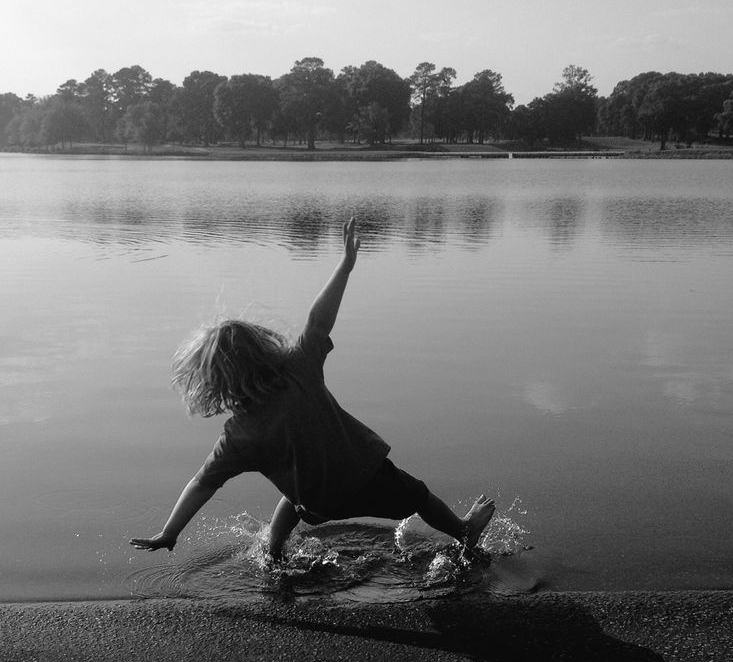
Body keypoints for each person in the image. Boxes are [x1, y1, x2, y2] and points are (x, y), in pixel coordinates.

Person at [130, 217, 495, 562]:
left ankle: (272, 552)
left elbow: (201, 484)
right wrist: (344, 267)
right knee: (419, 496)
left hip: (320, 504)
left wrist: (169, 532)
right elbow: (319, 321)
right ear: (261, 345)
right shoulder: (298, 368)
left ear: (215, 384)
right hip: (369, 477)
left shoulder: (239, 436)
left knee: (293, 501)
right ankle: (463, 531)